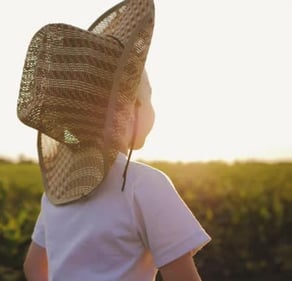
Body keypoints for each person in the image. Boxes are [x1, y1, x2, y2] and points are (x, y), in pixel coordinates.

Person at [16, 1, 211, 280]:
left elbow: (34, 266)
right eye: (149, 99)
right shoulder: (144, 184)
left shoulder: (58, 187)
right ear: (130, 108)